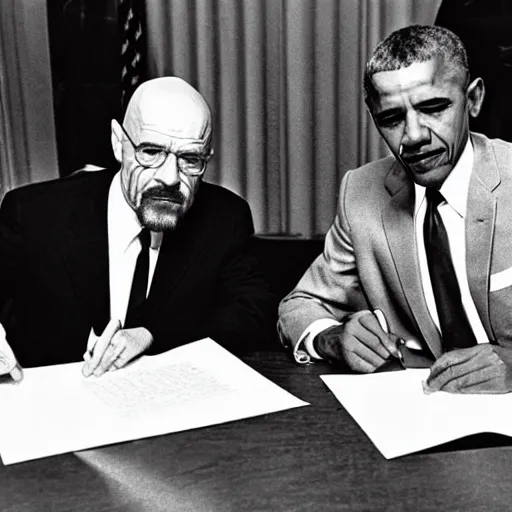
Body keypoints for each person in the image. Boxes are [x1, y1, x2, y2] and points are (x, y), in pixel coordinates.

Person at [278, 25, 512, 394]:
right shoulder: (360, 193)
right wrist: (332, 337)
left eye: (433, 108)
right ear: (374, 119)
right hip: (418, 418)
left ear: (474, 99)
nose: (414, 135)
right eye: (392, 119)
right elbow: (301, 305)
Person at [0, 76, 275, 380]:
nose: (170, 178)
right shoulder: (34, 215)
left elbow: (254, 313)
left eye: (190, 159)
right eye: (151, 152)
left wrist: (151, 334)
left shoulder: (226, 217)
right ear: (119, 143)